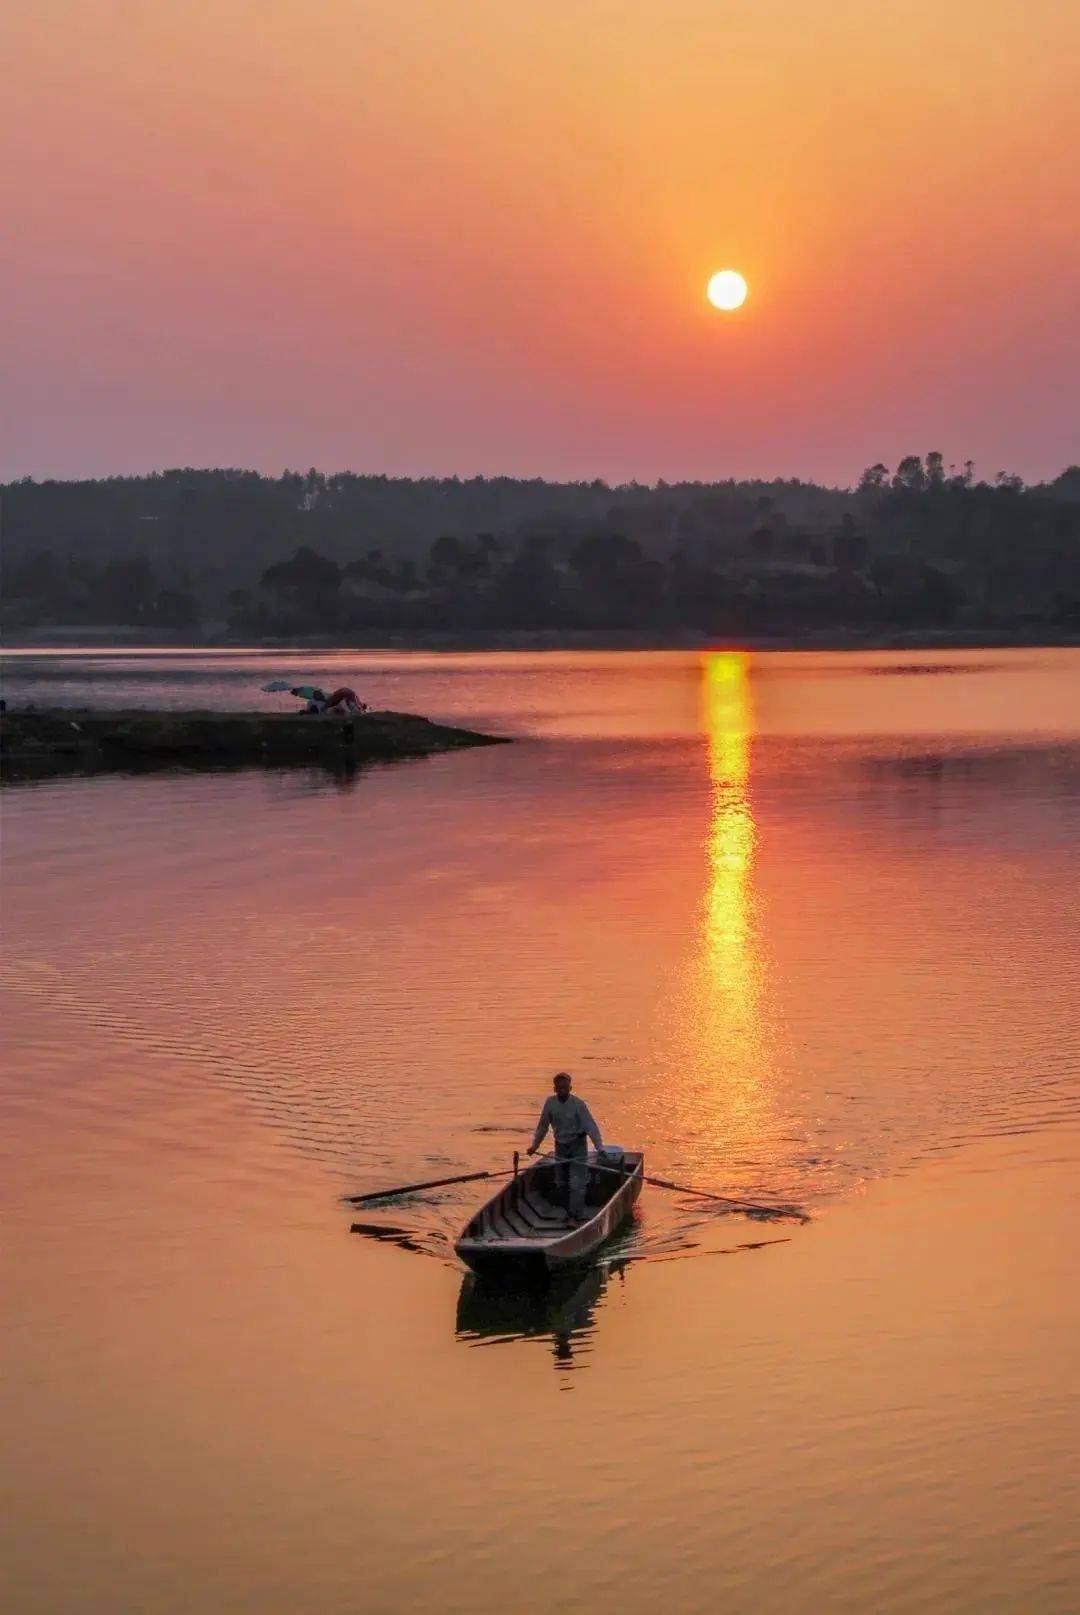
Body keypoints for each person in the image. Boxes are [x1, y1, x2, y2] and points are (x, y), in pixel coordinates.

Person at [527, 1071, 602, 1224]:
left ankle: (576, 1214)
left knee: (576, 1183)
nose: (562, 1091)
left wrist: (599, 1147)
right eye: (559, 1088)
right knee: (561, 1182)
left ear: (570, 1088)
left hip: (577, 1145)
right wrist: (534, 1146)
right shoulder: (550, 1103)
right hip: (560, 1145)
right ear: (555, 1089)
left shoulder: (578, 1104)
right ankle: (567, 1212)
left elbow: (590, 1126)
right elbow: (543, 1127)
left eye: (565, 1088)